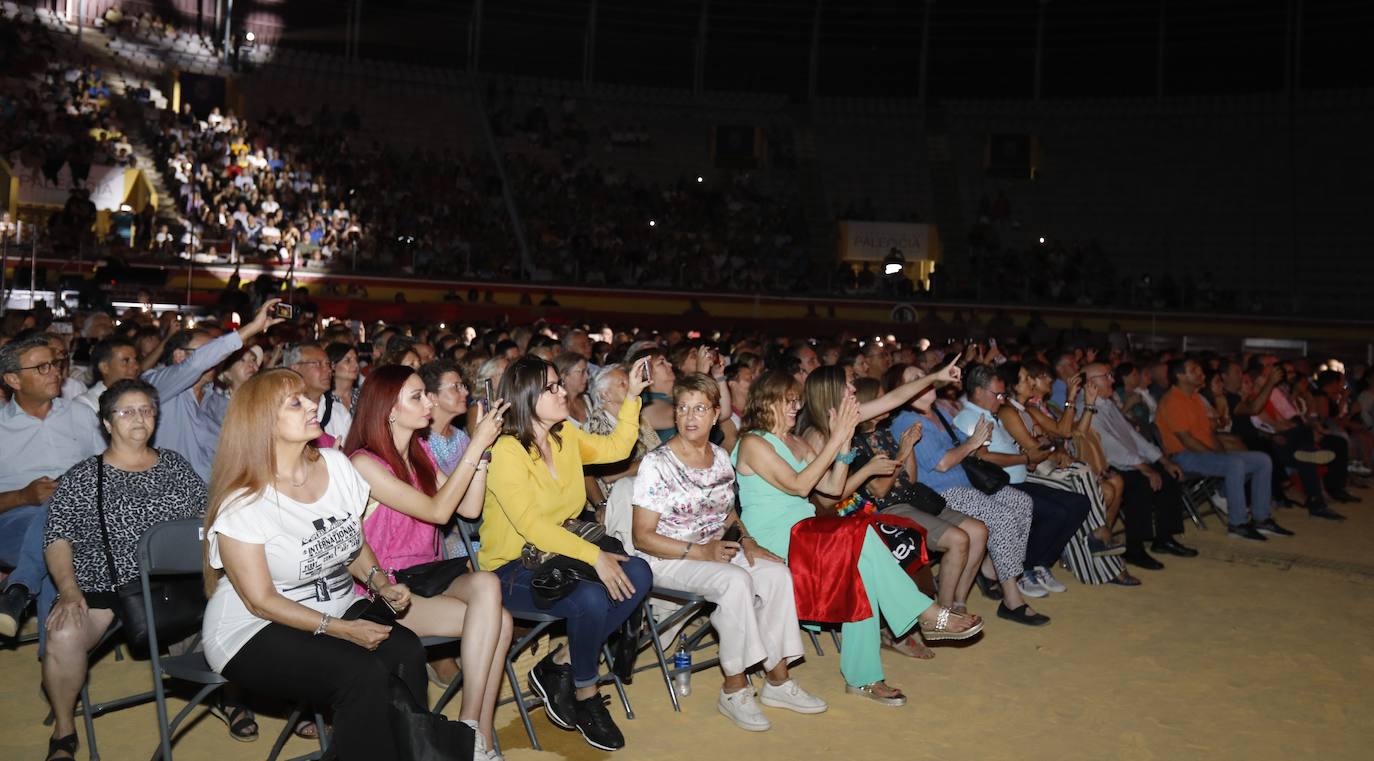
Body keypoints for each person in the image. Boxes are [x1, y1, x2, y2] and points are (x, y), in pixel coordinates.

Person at [201, 369, 431, 761]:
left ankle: (416, 753)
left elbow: (351, 542)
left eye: (308, 398)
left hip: (334, 604)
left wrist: (378, 581)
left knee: (406, 652)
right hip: (253, 628)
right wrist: (341, 630)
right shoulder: (244, 502)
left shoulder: (336, 465)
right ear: (263, 423)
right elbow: (260, 601)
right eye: (296, 402)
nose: (313, 405)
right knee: (360, 674)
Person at [734, 371, 980, 708]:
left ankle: (863, 678)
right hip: (776, 540)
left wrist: (845, 443)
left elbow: (832, 490)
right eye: (788, 401)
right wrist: (837, 437)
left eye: (796, 401)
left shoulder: (797, 443)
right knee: (860, 533)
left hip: (809, 533)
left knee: (861, 572)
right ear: (767, 403)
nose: (795, 407)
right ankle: (927, 612)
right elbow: (799, 486)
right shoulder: (753, 442)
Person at [479, 355, 655, 751]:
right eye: (552, 387)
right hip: (511, 568)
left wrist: (631, 397)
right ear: (527, 397)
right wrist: (594, 557)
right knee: (592, 596)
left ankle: (560, 662)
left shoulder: (565, 436)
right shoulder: (508, 451)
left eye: (560, 384)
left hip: (562, 556)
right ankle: (586, 693)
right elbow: (531, 527)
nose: (563, 392)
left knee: (639, 574)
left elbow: (618, 447)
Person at [631, 374, 825, 732]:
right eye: (684, 408)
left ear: (715, 413)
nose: (690, 417)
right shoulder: (656, 464)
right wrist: (699, 551)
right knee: (736, 582)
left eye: (700, 408)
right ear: (675, 415)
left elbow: (728, 512)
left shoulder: (720, 457)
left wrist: (748, 541)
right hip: (670, 557)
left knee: (776, 574)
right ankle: (734, 688)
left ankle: (778, 681)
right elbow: (642, 537)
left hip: (715, 550)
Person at [345, 364, 513, 757]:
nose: (429, 402)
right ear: (388, 409)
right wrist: (473, 448)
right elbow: (439, 512)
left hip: (428, 577)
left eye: (426, 393)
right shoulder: (364, 463)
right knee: (501, 622)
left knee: (488, 584)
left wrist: (482, 451)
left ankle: (472, 729)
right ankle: (476, 739)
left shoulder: (417, 452)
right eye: (417, 396)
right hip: (384, 590)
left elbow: (469, 509)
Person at [40, 380, 210, 761]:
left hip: (177, 584)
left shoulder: (175, 465)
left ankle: (230, 697)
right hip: (109, 585)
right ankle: (65, 729)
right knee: (64, 635)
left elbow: (208, 518)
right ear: (106, 422)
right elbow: (57, 537)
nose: (140, 418)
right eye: (127, 411)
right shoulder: (85, 476)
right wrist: (69, 592)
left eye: (147, 410)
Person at [895, 377, 1047, 626]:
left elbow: (964, 446)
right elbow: (941, 464)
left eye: (925, 377)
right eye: (914, 379)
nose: (925, 382)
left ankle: (991, 568)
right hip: (940, 490)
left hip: (966, 483)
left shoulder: (939, 412)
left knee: (1021, 503)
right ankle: (1012, 599)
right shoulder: (908, 421)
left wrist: (976, 441)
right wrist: (973, 443)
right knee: (1002, 518)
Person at [850, 378, 989, 630]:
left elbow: (911, 478)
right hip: (887, 509)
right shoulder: (855, 443)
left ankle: (958, 603)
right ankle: (942, 616)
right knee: (958, 539)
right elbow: (880, 491)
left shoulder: (884, 432)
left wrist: (909, 447)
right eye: (882, 396)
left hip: (914, 499)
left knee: (978, 531)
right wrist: (903, 451)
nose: (889, 402)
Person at [0, 337, 107, 639]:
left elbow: (103, 474)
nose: (56, 372)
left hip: (80, 521)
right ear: (13, 379)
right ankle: (61, 666)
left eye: (56, 364)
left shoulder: (80, 414)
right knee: (58, 542)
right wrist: (22, 496)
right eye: (42, 367)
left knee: (58, 547)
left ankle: (18, 590)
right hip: (12, 522)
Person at [953, 364, 1090, 597]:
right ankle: (1025, 568)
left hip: (1019, 480)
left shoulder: (990, 416)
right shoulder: (968, 418)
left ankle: (1040, 563)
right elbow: (983, 459)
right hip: (997, 488)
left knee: (1079, 503)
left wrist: (1028, 460)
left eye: (1003, 394)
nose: (1001, 399)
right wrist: (1024, 457)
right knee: (1055, 513)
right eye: (997, 394)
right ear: (978, 392)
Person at [997, 362, 1136, 586]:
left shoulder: (1029, 410)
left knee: (1086, 489)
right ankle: (1100, 539)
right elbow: (1035, 450)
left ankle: (1099, 552)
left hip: (1041, 468)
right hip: (1026, 473)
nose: (1032, 382)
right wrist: (1052, 448)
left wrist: (1075, 401)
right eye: (1026, 379)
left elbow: (1062, 434)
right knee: (1084, 481)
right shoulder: (1008, 412)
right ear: (1012, 386)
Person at [144, 299, 285, 480]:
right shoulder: (157, 386)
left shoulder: (220, 403)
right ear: (179, 356)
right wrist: (252, 328)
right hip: (168, 500)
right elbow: (196, 364)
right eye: (206, 352)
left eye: (215, 354)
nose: (215, 360)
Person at [1081, 363, 1199, 564]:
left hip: (1130, 460)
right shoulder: (1085, 409)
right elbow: (1109, 447)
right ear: (1091, 382)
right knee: (1141, 484)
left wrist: (1162, 459)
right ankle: (1134, 548)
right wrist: (1144, 467)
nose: (1113, 380)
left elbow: (1133, 437)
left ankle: (1164, 538)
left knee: (1169, 474)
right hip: (1108, 466)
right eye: (1107, 376)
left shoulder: (1107, 403)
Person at [1157, 359, 1287, 541]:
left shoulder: (1194, 398)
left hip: (1201, 452)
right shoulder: (1172, 401)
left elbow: (1209, 434)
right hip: (1183, 456)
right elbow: (1187, 440)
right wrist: (1218, 456)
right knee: (1234, 464)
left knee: (1262, 460)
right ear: (1180, 376)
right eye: (1193, 369)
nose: (1200, 372)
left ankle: (1261, 518)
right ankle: (1237, 523)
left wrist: (1220, 453)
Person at [417, 359, 478, 559]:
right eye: (456, 387)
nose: (465, 392)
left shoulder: (461, 438)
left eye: (463, 386)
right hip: (441, 533)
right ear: (432, 397)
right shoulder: (420, 443)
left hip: (470, 524)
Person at [283, 342, 351, 448]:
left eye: (328, 364)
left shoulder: (338, 410)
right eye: (318, 364)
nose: (328, 370)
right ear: (294, 368)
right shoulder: (282, 411)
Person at [73, 337, 141, 413]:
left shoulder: (142, 398)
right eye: (126, 361)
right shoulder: (87, 404)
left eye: (135, 360)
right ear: (105, 367)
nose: (136, 366)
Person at [554, 352, 592, 427]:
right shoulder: (555, 405)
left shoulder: (587, 400)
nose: (587, 377)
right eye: (581, 372)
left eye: (587, 372)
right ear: (563, 376)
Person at [326, 342, 362, 414]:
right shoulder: (325, 400)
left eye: (356, 360)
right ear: (333, 365)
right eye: (348, 361)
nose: (355, 365)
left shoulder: (363, 396)